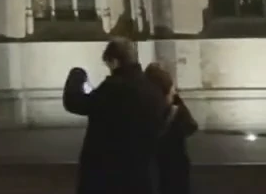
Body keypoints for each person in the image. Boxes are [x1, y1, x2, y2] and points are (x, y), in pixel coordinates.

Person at [62, 37, 168, 194]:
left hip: (107, 173)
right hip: (141, 172)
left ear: (115, 61)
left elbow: (75, 103)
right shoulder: (152, 90)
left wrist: (77, 75)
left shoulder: (112, 88)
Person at [145, 62, 198, 194]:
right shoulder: (175, 110)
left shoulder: (145, 108)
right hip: (175, 164)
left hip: (151, 164)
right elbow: (191, 126)